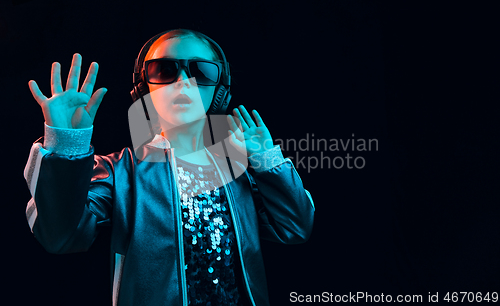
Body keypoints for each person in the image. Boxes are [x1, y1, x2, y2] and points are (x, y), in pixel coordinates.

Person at [24, 28, 315, 306]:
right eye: (164, 69)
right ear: (143, 89)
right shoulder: (119, 172)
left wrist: (267, 161)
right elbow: (60, 237)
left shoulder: (238, 171)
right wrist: (66, 144)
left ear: (220, 90)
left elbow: (296, 227)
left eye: (201, 71)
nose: (183, 81)